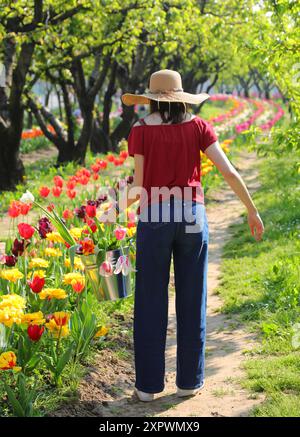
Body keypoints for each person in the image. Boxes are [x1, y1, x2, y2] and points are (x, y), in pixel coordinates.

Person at [108, 69, 264, 402]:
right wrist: (251, 209)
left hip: (155, 217)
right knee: (192, 298)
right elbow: (228, 170)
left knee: (150, 300)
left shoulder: (140, 131)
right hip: (192, 216)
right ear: (181, 97)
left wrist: (111, 209)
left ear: (151, 98)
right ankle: (189, 383)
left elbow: (138, 187)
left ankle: (147, 388)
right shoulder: (198, 127)